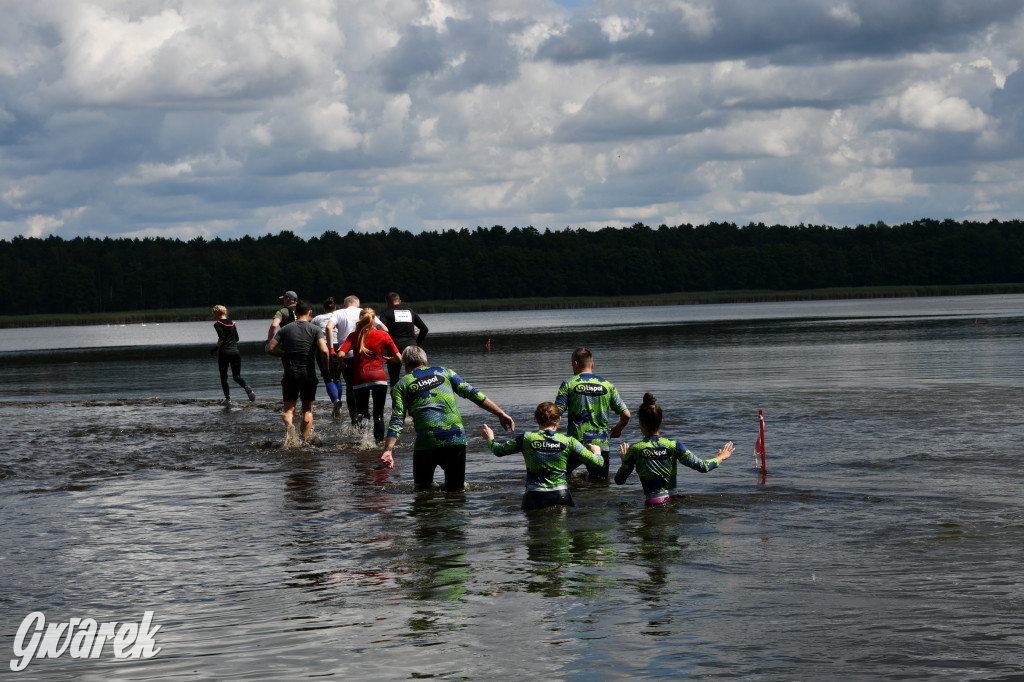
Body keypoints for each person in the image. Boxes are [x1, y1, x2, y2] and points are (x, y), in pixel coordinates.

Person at [381, 346, 514, 492]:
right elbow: (472, 393)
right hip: (455, 438)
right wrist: (500, 413)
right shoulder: (445, 372)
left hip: (426, 442)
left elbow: (397, 419)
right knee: (456, 491)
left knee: (422, 491)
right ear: (426, 362)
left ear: (405, 366)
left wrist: (388, 450)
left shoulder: (401, 386)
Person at [615, 393, 734, 505]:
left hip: (653, 504)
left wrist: (625, 462)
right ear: (661, 421)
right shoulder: (674, 445)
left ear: (640, 423)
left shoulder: (635, 450)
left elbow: (619, 480)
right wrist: (721, 456)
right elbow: (703, 467)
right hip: (674, 501)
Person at [482, 402, 603, 511]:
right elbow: (598, 463)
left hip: (534, 496)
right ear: (559, 419)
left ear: (536, 419)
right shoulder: (568, 440)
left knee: (536, 534)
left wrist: (490, 439)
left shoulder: (526, 438)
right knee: (562, 534)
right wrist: (597, 452)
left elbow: (498, 450)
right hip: (561, 495)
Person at [554, 347, 631, 480]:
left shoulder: (568, 384)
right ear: (592, 364)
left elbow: (555, 413)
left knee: (559, 478)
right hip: (600, 444)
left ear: (575, 364)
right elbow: (626, 414)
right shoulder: (607, 386)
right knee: (600, 486)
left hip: (575, 444)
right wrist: (619, 428)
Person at [266, 300, 329, 444]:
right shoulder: (315, 329)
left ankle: (290, 426)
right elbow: (324, 350)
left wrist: (284, 354)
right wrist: (325, 368)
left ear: (295, 313)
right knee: (307, 409)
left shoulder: (285, 329)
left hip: (290, 372)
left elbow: (269, 349)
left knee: (289, 410)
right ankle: (303, 440)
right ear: (310, 313)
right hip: (308, 373)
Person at [338, 308, 402, 442]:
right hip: (379, 378)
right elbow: (398, 357)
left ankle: (364, 442)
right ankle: (378, 444)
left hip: (360, 378)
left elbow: (341, 353)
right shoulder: (383, 335)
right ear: (373, 320)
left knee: (362, 412)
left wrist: (341, 363)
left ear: (360, 320)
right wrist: (390, 360)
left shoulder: (354, 336)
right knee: (378, 414)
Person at [327, 295, 387, 423]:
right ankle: (368, 415)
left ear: (345, 305)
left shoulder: (338, 313)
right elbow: (384, 329)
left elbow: (328, 327)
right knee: (368, 385)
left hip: (346, 355)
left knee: (351, 387)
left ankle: (355, 417)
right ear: (358, 304)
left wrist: (332, 349)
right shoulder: (365, 312)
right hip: (366, 355)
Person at [379, 292, 429, 388]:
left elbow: (382, 331)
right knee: (416, 377)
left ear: (387, 302)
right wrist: (416, 344)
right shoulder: (410, 311)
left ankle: (395, 398)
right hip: (411, 347)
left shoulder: (386, 313)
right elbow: (424, 329)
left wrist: (385, 346)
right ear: (400, 301)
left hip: (394, 348)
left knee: (394, 379)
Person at [212, 305, 255, 405]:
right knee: (237, 376)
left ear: (216, 314)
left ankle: (227, 399)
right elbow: (237, 338)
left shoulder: (217, 324)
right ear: (225, 312)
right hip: (235, 352)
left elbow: (221, 337)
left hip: (224, 352)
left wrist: (216, 348)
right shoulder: (232, 323)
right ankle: (246, 387)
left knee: (224, 376)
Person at [311, 297, 343, 410]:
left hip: (324, 347)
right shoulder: (340, 316)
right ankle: (338, 404)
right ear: (335, 307)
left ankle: (336, 401)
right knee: (338, 377)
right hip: (339, 347)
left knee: (327, 377)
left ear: (324, 308)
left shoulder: (317, 319)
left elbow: (312, 334)